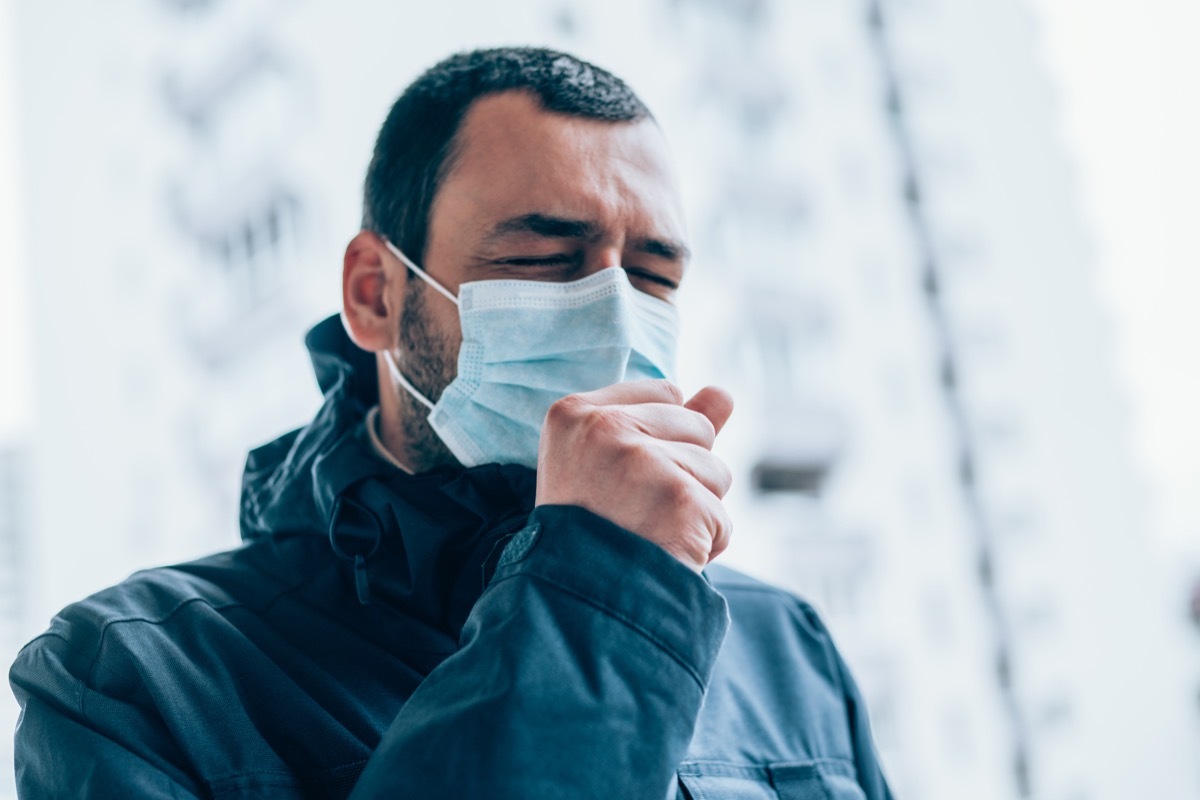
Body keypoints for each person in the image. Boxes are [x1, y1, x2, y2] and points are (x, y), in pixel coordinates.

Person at [10, 47, 893, 799]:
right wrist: (594, 583)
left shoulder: (786, 646)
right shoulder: (136, 682)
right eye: (543, 259)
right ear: (375, 294)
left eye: (653, 277)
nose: (616, 321)